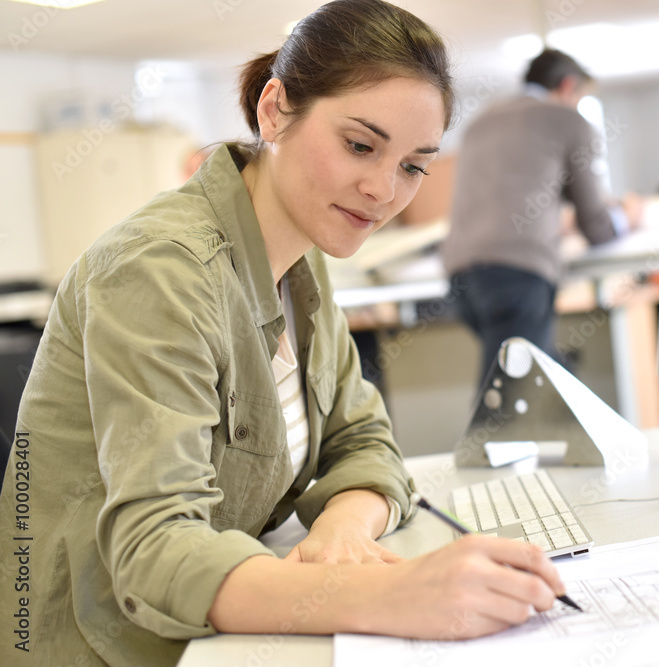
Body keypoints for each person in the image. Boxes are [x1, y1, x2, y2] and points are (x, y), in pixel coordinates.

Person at [0, 2, 566, 665]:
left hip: (221, 632)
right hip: (104, 647)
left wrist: (344, 528)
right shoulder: (160, 270)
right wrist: (390, 593)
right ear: (274, 110)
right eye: (360, 144)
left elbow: (363, 439)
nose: (384, 189)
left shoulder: (305, 259)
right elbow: (154, 548)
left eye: (414, 165)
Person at [440, 48, 642, 383]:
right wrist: (628, 218)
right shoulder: (568, 120)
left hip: (460, 278)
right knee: (510, 393)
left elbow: (510, 195)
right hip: (515, 278)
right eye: (580, 97)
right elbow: (596, 225)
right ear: (567, 86)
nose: (578, 105)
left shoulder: (483, 120)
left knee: (539, 373)